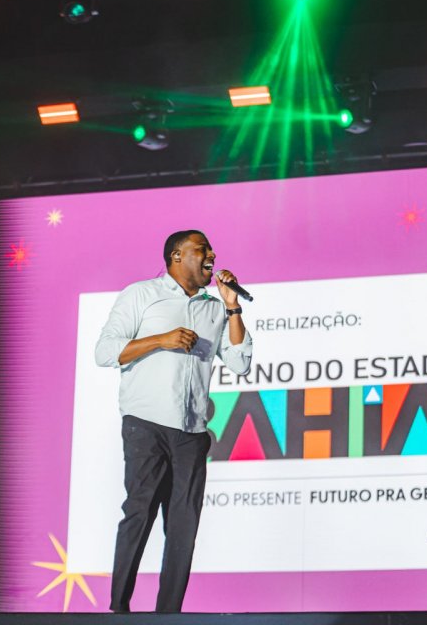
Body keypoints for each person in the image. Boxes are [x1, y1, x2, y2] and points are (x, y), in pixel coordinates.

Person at [95, 229, 252, 613]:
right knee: (140, 510)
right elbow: (105, 351)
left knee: (184, 525)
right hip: (145, 422)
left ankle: (168, 614)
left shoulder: (214, 308)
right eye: (202, 249)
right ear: (177, 256)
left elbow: (240, 362)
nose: (212, 254)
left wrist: (232, 307)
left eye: (211, 249)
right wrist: (160, 340)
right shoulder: (141, 295)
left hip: (192, 431)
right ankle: (118, 608)